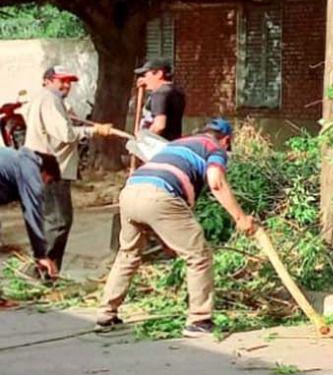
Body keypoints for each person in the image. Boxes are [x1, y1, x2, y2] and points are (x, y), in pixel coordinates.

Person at [97, 118, 256, 337]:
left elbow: (163, 210)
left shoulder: (176, 144)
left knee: (128, 254)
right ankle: (199, 320)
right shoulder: (215, 148)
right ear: (226, 140)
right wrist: (240, 218)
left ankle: (106, 313)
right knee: (199, 256)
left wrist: (168, 242)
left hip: (131, 191)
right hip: (161, 195)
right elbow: (216, 182)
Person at [23, 66, 112, 274]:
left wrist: (71, 118)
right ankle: (42, 272)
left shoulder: (45, 100)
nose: (66, 85)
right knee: (59, 222)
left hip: (42, 167)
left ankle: (43, 271)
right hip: (51, 169)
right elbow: (65, 134)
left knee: (53, 221)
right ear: (47, 81)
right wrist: (94, 130)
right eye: (60, 81)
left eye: (69, 81)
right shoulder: (50, 99)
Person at [0, 146, 63, 279]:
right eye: (49, 181)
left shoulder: (17, 160)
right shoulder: (31, 172)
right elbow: (33, 213)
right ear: (45, 172)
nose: (45, 185)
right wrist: (40, 255)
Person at [135, 58, 185, 140]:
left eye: (146, 75)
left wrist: (143, 141)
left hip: (157, 145)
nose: (144, 79)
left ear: (159, 74)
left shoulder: (160, 93)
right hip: (172, 143)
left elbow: (159, 126)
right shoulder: (175, 91)